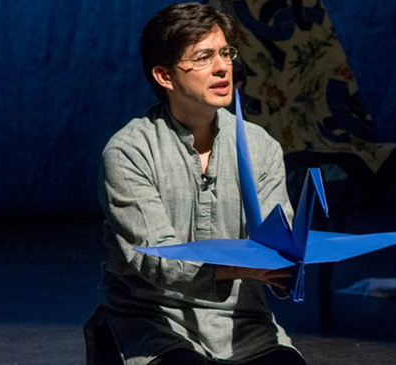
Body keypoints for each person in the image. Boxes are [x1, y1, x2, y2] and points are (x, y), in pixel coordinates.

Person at [84, 3, 307, 365]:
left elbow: (274, 241)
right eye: (203, 57)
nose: (222, 67)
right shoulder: (129, 152)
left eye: (224, 53)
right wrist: (241, 267)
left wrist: (288, 261)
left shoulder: (260, 146)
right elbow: (156, 259)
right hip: (155, 321)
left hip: (243, 324)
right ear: (165, 76)